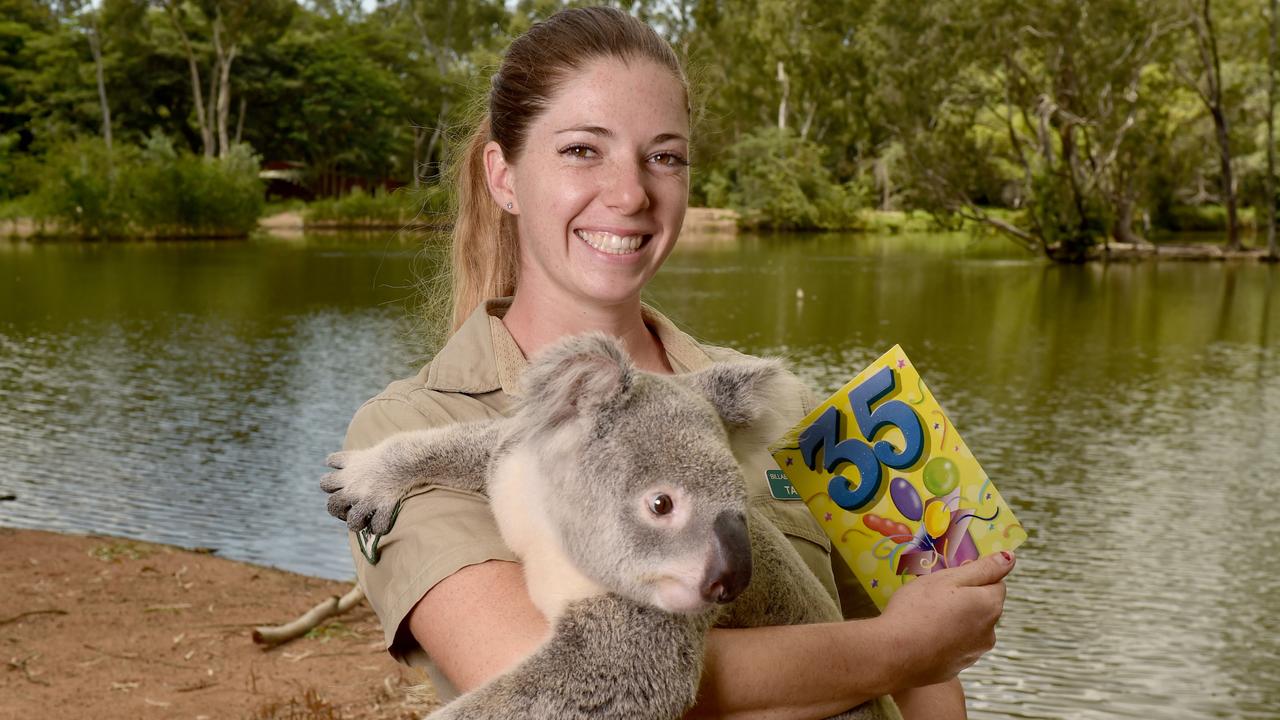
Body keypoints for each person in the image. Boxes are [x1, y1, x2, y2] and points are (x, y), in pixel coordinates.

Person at [340, 7, 1014, 719]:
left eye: (664, 156)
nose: (631, 194)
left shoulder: (776, 401)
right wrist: (899, 647)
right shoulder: (407, 434)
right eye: (581, 150)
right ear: (504, 177)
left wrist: (929, 636)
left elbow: (934, 668)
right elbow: (548, 684)